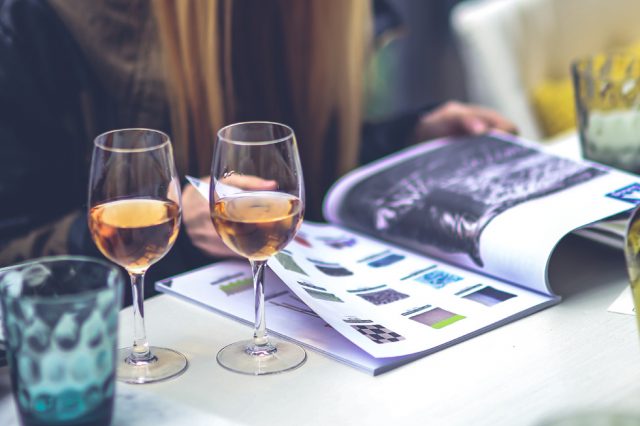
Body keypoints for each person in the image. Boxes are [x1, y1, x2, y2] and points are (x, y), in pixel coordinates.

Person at [0, 0, 516, 292]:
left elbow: (290, 170)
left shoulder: (310, 17)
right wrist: (173, 222)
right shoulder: (36, 23)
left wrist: (404, 139)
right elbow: (12, 255)